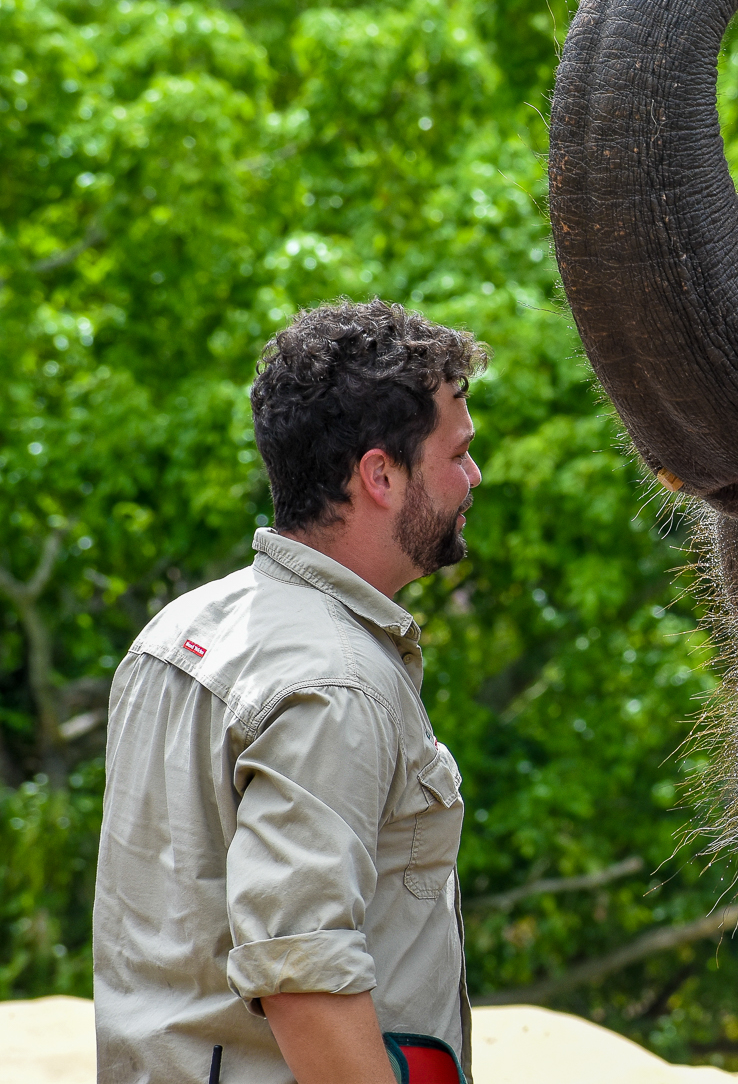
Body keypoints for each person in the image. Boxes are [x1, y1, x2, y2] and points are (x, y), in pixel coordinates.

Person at [94, 300, 487, 1083]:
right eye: (458, 452)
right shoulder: (336, 681)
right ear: (380, 474)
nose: (472, 477)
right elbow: (303, 977)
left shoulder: (177, 632)